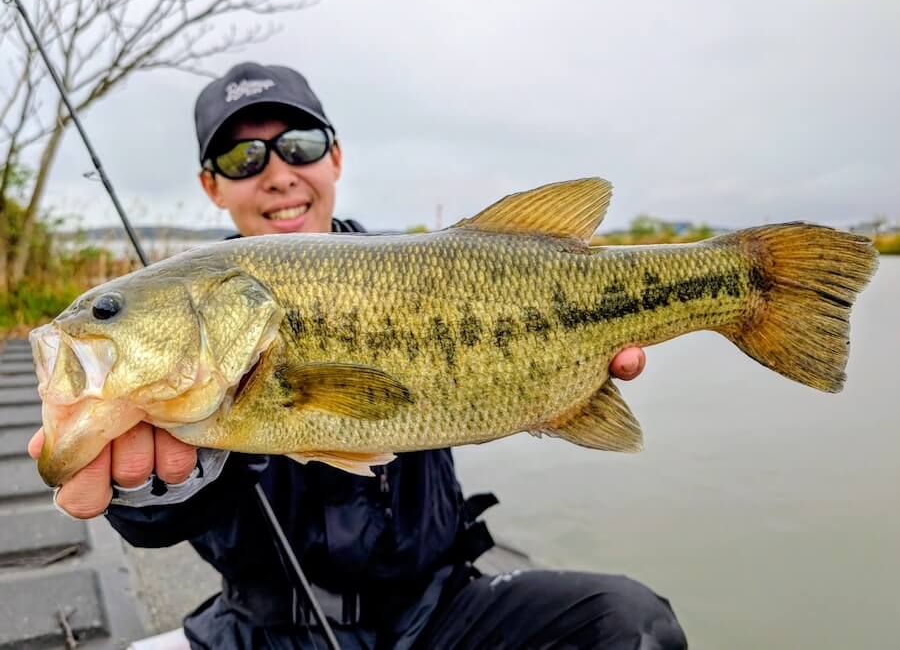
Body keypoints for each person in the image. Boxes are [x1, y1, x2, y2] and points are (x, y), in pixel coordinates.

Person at [29, 62, 687, 649]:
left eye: (300, 146)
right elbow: (151, 526)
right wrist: (149, 485)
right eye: (243, 158)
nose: (278, 173)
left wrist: (561, 388)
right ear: (212, 186)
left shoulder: (418, 267)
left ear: (335, 158)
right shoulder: (197, 316)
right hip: (260, 632)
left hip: (439, 615)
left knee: (629, 624)